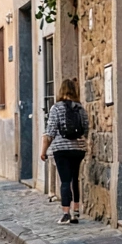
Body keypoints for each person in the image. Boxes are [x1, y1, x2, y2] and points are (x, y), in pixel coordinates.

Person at [40, 79, 88, 224]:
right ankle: (76, 212)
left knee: (65, 181)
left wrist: (43, 151)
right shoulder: (80, 108)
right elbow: (86, 129)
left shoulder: (56, 108)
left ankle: (66, 214)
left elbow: (50, 132)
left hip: (61, 149)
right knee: (75, 179)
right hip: (78, 149)